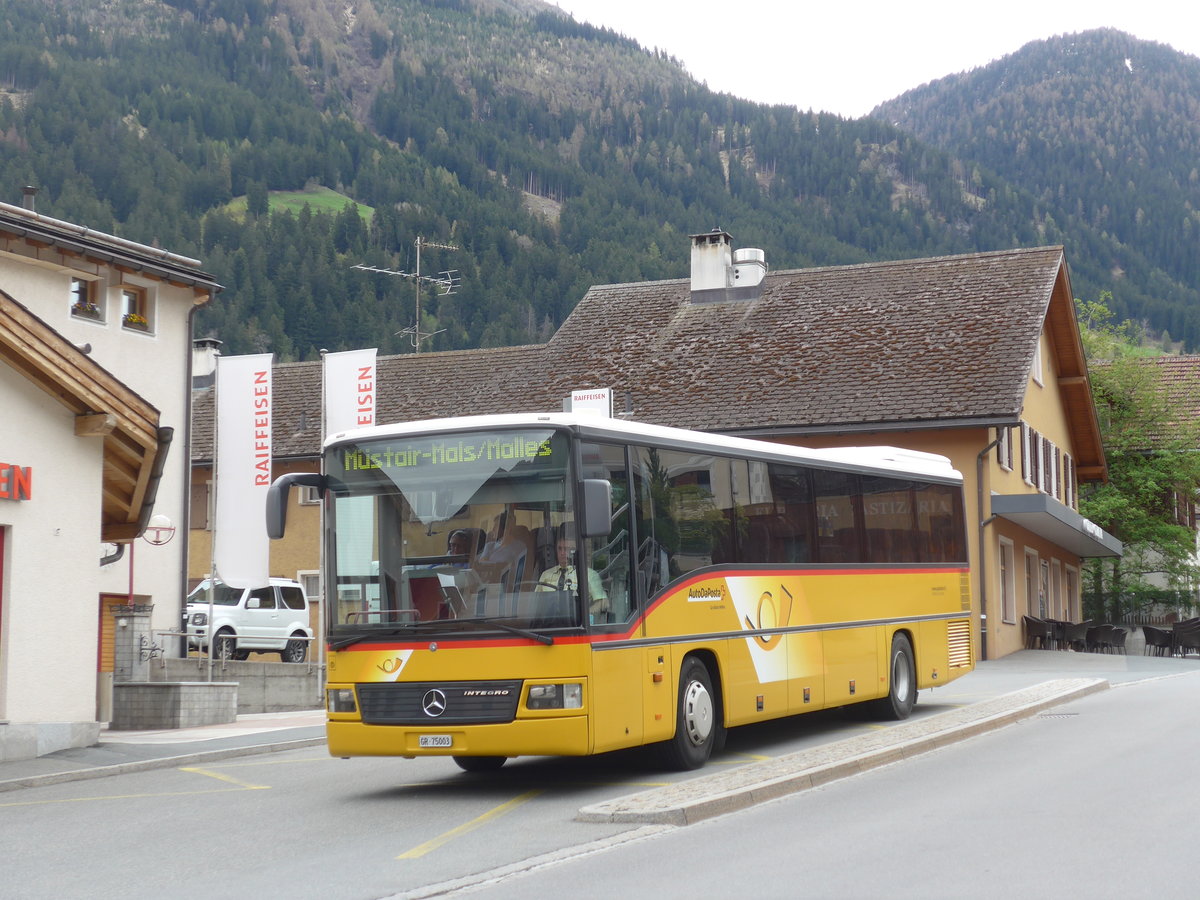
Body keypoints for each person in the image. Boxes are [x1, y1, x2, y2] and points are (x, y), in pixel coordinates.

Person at [536, 531, 608, 619]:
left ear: (574, 550)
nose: (562, 553)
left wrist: (585, 614)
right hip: (549, 626)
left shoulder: (588, 574)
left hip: (576, 626)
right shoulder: (545, 575)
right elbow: (536, 604)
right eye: (559, 548)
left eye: (566, 549)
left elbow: (603, 602)